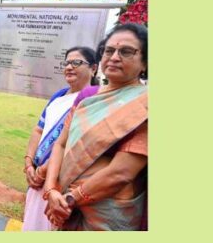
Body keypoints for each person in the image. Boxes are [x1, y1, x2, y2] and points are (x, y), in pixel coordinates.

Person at [42, 23, 148, 231]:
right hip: (63, 205)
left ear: (145, 62)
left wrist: (70, 199)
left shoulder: (145, 103)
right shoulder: (87, 98)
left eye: (126, 51)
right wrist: (51, 191)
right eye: (109, 50)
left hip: (108, 214)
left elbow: (122, 172)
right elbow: (60, 145)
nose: (114, 57)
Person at [22, 46, 97, 231]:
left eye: (77, 62)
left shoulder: (94, 99)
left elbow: (78, 147)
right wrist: (29, 164)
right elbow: (39, 131)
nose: (70, 66)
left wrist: (43, 172)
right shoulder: (59, 96)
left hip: (60, 185)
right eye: (67, 62)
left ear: (94, 68)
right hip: (37, 179)